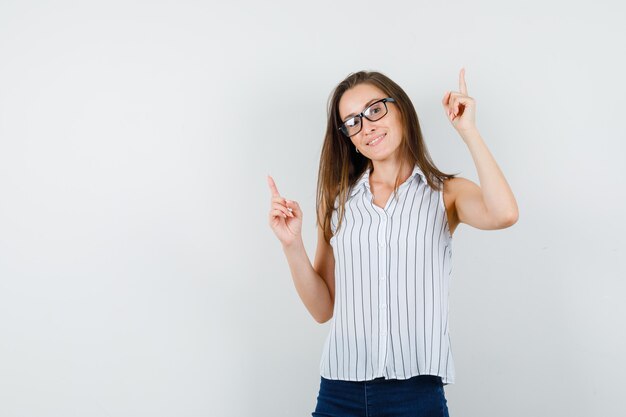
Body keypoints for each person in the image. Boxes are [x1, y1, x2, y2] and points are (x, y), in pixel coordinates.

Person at [267, 68, 518, 417]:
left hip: (415, 395)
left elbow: (504, 213)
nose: (367, 126)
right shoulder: (337, 202)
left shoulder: (446, 193)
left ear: (400, 109)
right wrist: (291, 245)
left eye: (375, 109)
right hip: (339, 392)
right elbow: (323, 309)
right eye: (352, 121)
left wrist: (468, 132)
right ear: (348, 138)